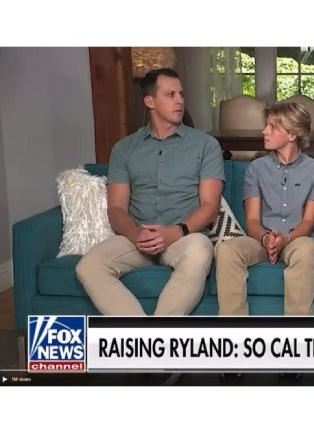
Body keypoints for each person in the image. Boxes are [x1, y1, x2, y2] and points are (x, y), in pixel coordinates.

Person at [76, 68, 224, 316]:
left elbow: (210, 206)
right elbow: (116, 208)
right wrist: (135, 234)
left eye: (181, 94)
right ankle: (141, 333)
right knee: (88, 266)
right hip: (138, 237)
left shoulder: (205, 145)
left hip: (184, 236)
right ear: (150, 101)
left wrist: (175, 232)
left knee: (200, 251)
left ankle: (158, 333)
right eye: (170, 94)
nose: (179, 100)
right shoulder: (124, 148)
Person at [216, 101, 314, 316]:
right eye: (266, 125)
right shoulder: (256, 168)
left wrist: (286, 239)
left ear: (292, 134)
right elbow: (252, 220)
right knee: (227, 249)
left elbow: (308, 222)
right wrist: (266, 238)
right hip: (262, 239)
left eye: (272, 127)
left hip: (299, 239)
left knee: (306, 250)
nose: (264, 131)